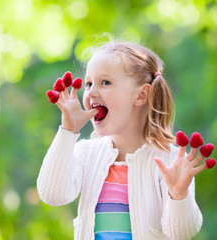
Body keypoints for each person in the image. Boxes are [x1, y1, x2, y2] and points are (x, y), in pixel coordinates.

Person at [37, 40, 208, 240]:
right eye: (89, 83)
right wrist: (68, 131)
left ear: (140, 95)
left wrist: (179, 195)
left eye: (105, 82)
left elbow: (182, 232)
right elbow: (52, 195)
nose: (91, 92)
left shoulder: (170, 161)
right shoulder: (86, 153)